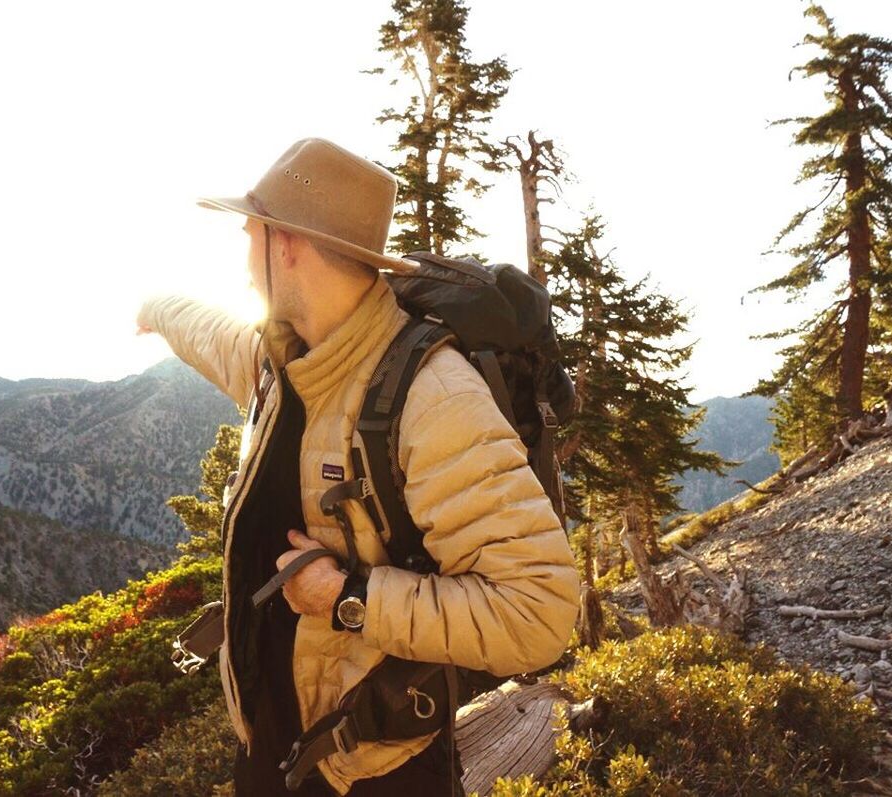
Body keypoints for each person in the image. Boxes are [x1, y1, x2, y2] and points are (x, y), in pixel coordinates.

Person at [136, 137, 581, 796]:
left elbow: (540, 614)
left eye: (248, 234)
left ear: (284, 243)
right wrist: (157, 309)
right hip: (274, 749)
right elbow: (212, 335)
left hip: (374, 772)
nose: (244, 265)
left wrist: (345, 599)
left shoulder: (432, 398)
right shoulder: (284, 359)